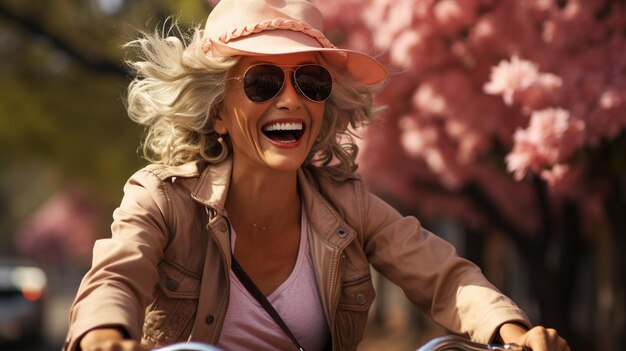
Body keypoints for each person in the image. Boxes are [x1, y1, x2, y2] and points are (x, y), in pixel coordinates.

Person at [65, 0, 570, 350]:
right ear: (217, 110)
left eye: (310, 80)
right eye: (262, 81)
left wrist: (509, 330)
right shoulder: (160, 199)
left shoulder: (347, 205)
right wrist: (103, 333)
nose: (291, 99)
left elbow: (444, 276)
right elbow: (116, 275)